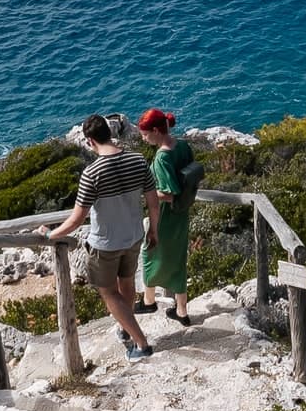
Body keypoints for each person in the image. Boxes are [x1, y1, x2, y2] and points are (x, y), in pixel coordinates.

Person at [46, 112, 158, 359]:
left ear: (90, 141)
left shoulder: (91, 173)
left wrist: (50, 234)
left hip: (105, 244)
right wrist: (153, 230)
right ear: (110, 133)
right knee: (127, 284)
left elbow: (76, 219)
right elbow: (153, 201)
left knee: (108, 293)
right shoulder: (138, 160)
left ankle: (141, 344)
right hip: (134, 236)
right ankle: (125, 328)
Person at [135, 108, 203, 325]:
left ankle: (149, 301)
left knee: (149, 253)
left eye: (145, 134)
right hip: (182, 213)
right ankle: (182, 312)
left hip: (166, 215)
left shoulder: (162, 157)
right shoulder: (182, 145)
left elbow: (169, 193)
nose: (144, 139)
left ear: (156, 131)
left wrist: (145, 192)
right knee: (178, 259)